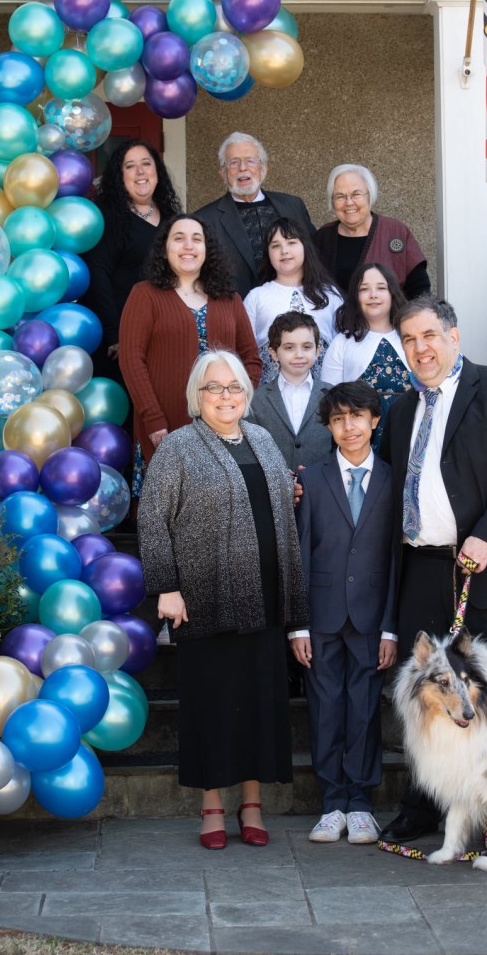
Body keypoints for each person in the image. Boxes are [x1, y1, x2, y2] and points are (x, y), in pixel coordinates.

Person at [377, 296, 487, 844]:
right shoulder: (401, 410)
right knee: (426, 697)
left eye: (428, 335)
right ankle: (423, 809)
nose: (419, 348)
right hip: (422, 570)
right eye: (409, 339)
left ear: (453, 335)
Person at [138, 350, 309, 850]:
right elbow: (152, 518)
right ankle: (211, 805)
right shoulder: (178, 447)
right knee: (212, 706)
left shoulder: (262, 439)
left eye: (234, 386)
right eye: (214, 387)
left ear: (246, 393)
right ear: (198, 395)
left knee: (259, 704)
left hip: (265, 598)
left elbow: (277, 503)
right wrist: (167, 587)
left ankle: (251, 804)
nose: (225, 396)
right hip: (205, 600)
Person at [292, 382, 397, 845]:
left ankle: (360, 804)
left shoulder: (394, 480)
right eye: (338, 419)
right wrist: (298, 624)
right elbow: (299, 553)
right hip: (321, 617)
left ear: (375, 420)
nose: (348, 427)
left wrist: (391, 628)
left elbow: (395, 559)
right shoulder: (311, 481)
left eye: (356, 416)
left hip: (373, 619)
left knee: (365, 710)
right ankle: (332, 803)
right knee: (325, 709)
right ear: (329, 427)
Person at [119, 215, 261, 493]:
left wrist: (236, 404)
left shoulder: (230, 299)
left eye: (197, 239)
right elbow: (131, 360)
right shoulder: (144, 295)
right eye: (179, 238)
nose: (188, 246)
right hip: (164, 426)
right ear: (165, 249)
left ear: (207, 250)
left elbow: (252, 360)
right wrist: (153, 419)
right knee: (166, 507)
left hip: (222, 427)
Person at [84, 139, 181, 383]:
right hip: (123, 337)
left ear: (157, 171)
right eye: (130, 166)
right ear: (120, 176)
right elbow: (98, 275)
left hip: (165, 334)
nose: (140, 172)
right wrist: (116, 334)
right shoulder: (108, 218)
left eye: (146, 164)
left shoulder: (172, 219)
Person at [194, 132, 315, 298]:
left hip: (294, 305)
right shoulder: (204, 220)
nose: (243, 168)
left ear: (263, 168)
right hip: (236, 308)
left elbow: (314, 255)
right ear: (222, 172)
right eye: (233, 162)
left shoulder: (293, 206)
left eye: (250, 161)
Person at [321, 263, 411, 449]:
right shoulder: (342, 343)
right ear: (355, 296)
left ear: (392, 293)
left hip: (408, 429)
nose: (373, 295)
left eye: (381, 288)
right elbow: (330, 398)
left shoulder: (409, 337)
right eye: (364, 289)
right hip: (359, 438)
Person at [243, 216, 342, 383]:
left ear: (305, 246)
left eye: (291, 242)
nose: (284, 251)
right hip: (269, 393)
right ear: (268, 253)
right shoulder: (256, 297)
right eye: (275, 245)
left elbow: (342, 348)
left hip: (323, 392)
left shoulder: (329, 295)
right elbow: (245, 350)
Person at [312, 164, 430, 299]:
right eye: (340, 196)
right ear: (332, 201)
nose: (349, 202)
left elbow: (420, 290)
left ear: (370, 195)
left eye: (356, 194)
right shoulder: (322, 238)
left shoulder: (395, 231)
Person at [245, 311, 333, 470]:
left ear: (317, 351)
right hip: (274, 483)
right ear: (273, 353)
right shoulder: (256, 400)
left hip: (323, 483)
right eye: (289, 347)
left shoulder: (333, 396)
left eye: (307, 347)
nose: (299, 355)